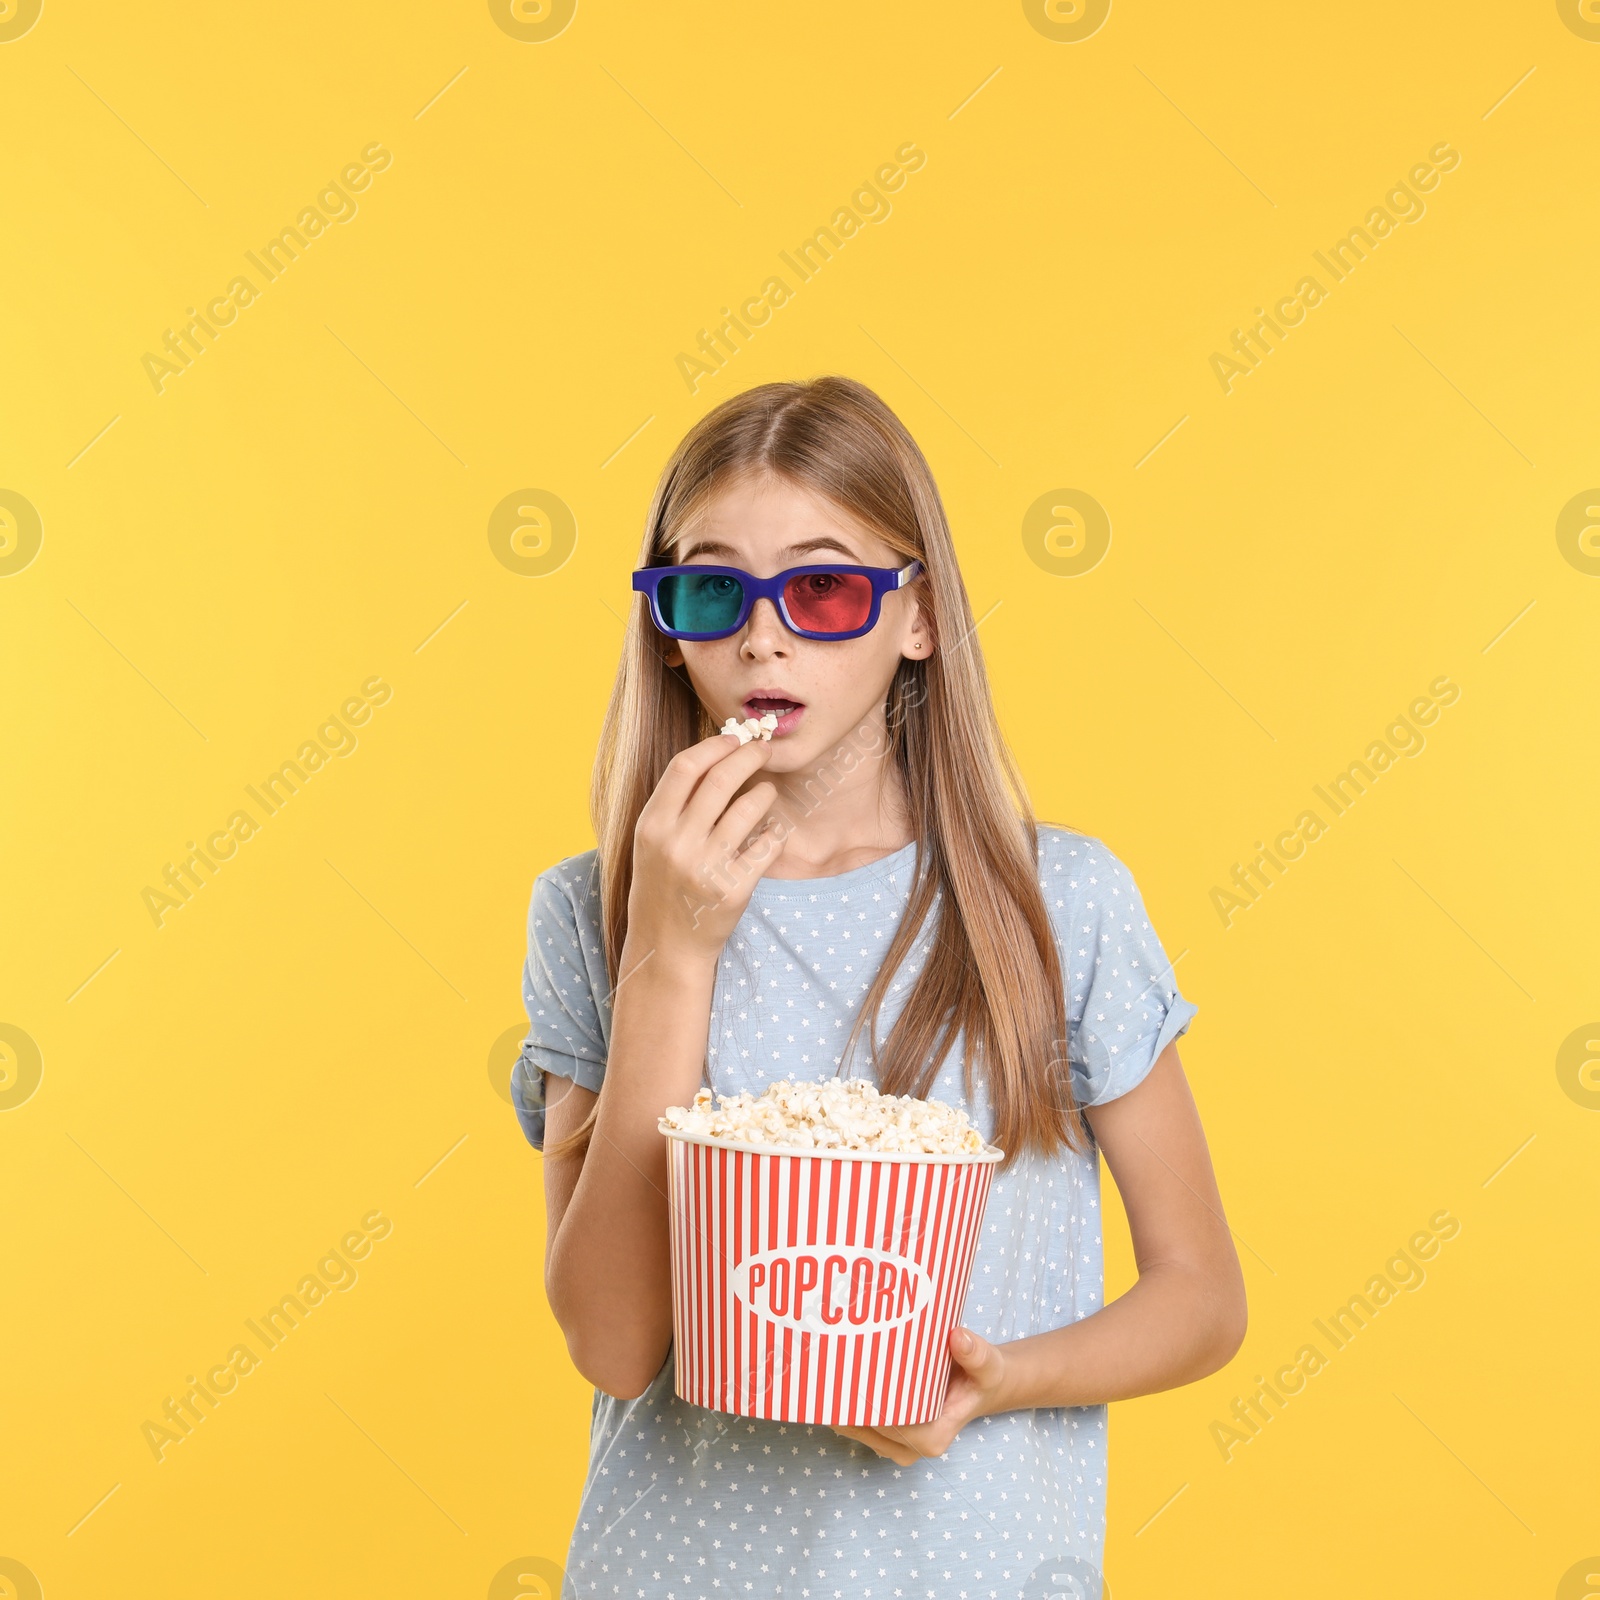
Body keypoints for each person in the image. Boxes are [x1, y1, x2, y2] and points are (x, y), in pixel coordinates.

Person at [512, 374, 1247, 1599]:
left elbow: (1202, 1295)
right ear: (666, 621)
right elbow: (612, 1339)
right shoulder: (591, 911)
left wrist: (1001, 1376)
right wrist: (671, 955)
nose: (763, 638)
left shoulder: (1055, 905)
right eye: (711, 588)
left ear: (917, 617)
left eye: (822, 586)